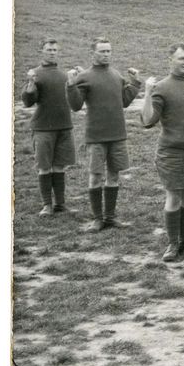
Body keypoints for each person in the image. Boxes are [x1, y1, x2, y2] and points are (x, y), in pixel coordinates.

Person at [141, 43, 184, 261]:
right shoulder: (162, 87)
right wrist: (148, 93)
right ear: (170, 60)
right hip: (172, 152)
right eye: (181, 59)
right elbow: (148, 121)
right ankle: (172, 244)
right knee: (174, 196)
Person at [66, 37, 142, 232]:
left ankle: (110, 217)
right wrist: (71, 85)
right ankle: (97, 219)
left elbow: (124, 101)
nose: (106, 54)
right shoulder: (85, 76)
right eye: (102, 51)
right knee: (95, 177)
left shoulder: (116, 75)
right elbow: (75, 106)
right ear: (93, 53)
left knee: (114, 176)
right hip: (96, 136)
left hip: (117, 134)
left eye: (109, 51)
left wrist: (135, 83)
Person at [22, 38, 75, 216]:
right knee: (44, 166)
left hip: (64, 126)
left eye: (54, 50)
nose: (52, 52)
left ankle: (60, 204)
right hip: (43, 127)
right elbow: (28, 102)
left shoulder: (64, 75)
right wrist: (30, 85)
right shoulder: (35, 74)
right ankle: (47, 205)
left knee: (59, 166)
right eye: (48, 49)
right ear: (41, 51)